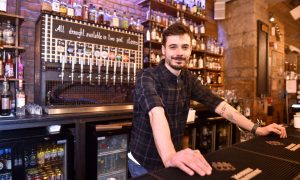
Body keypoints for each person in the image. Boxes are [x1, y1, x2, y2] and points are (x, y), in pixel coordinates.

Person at [128, 22, 287, 178]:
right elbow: (156, 113)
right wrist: (170, 156)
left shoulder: (187, 79)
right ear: (163, 50)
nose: (179, 52)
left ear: (191, 49)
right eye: (173, 47)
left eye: (185, 47)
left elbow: (219, 104)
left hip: (174, 160)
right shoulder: (147, 76)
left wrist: (258, 129)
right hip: (144, 162)